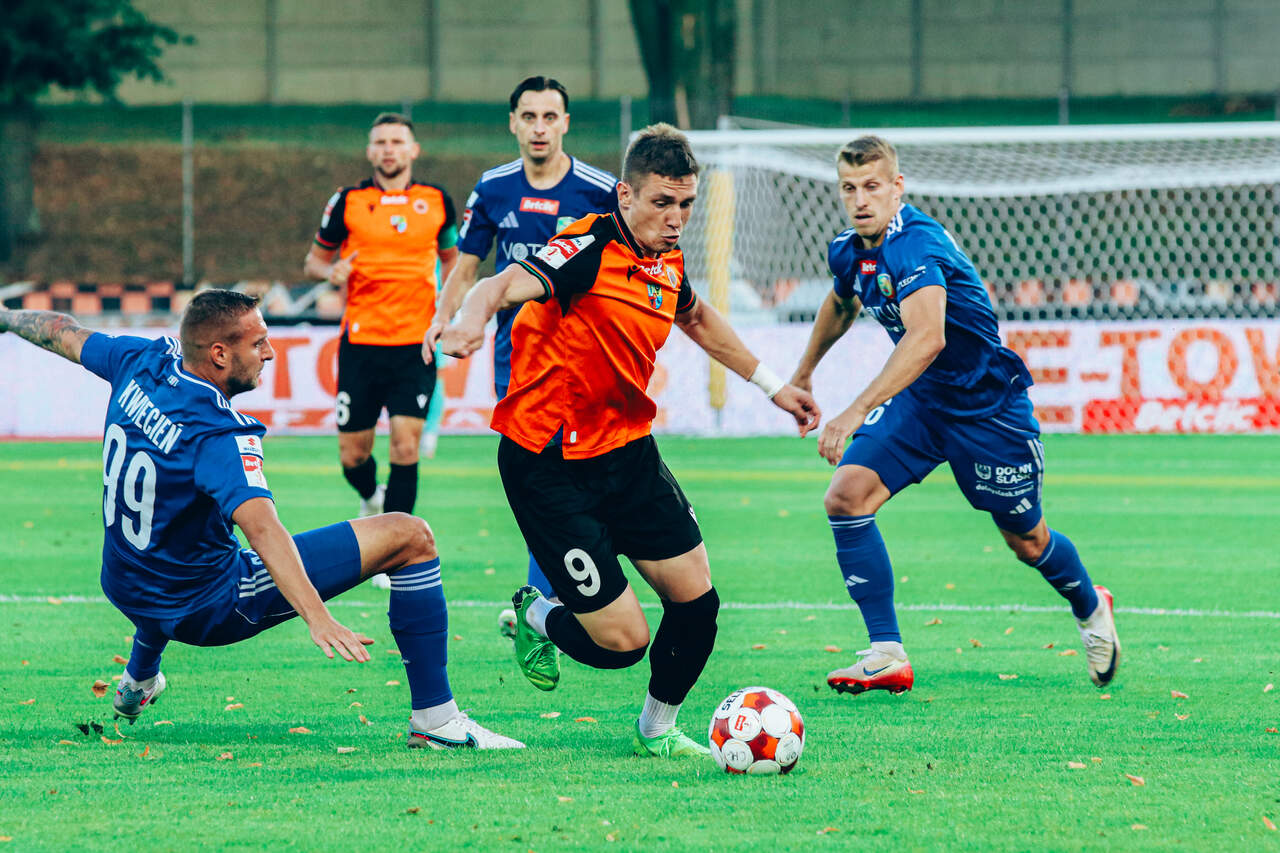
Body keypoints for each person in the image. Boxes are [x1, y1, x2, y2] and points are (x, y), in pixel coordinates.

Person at [437, 124, 821, 758]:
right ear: (625, 194)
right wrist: (471, 321)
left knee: (697, 604)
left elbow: (696, 315)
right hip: (549, 463)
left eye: (686, 204)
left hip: (627, 453)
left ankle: (657, 729)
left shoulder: (667, 260)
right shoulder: (586, 247)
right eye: (662, 203)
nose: (676, 219)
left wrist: (774, 386)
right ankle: (536, 614)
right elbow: (497, 284)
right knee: (622, 645)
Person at [0, 290, 521, 749]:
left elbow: (60, 331)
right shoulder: (218, 434)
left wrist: (5, 316)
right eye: (259, 343)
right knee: (411, 535)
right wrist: (317, 616)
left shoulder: (141, 359)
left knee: (178, 542)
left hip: (121, 579)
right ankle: (436, 721)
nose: (270, 352)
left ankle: (138, 679)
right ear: (219, 353)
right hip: (206, 608)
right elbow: (265, 530)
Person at [789, 135, 1120, 696]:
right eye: (849, 188)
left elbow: (928, 338)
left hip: (988, 409)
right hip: (922, 404)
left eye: (872, 186)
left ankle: (1091, 606)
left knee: (1028, 542)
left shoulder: (915, 245)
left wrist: (854, 410)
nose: (861, 200)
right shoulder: (848, 249)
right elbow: (843, 301)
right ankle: (886, 653)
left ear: (897, 187)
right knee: (846, 497)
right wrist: (803, 373)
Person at [425, 76, 618, 612]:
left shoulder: (600, 191)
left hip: (585, 352)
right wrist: (441, 318)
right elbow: (468, 266)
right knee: (541, 473)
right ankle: (549, 599)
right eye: (529, 117)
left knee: (575, 474)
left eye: (549, 117)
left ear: (565, 123)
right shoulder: (493, 188)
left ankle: (556, 595)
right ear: (513, 122)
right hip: (518, 354)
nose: (539, 127)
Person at [304, 112, 458, 532]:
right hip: (361, 344)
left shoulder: (437, 200)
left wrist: (449, 308)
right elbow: (314, 261)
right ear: (370, 151)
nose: (389, 149)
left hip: (416, 344)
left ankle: (393, 544)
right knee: (352, 456)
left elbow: (454, 260)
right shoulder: (347, 201)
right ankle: (372, 497)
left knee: (406, 447)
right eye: (381, 142)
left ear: (413, 150)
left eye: (397, 141)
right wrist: (331, 271)